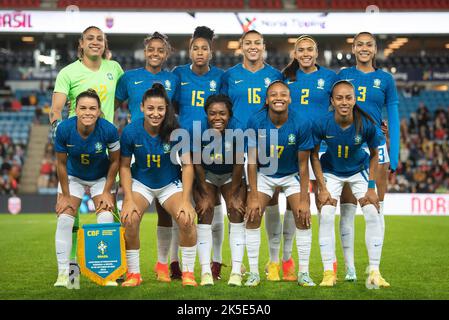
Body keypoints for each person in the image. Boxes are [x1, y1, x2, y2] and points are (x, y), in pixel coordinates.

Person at [50, 26, 124, 288]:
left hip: (103, 156)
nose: (95, 42)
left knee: (106, 215)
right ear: (80, 44)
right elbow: (56, 109)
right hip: (75, 153)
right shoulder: (68, 72)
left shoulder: (114, 68)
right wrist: (61, 130)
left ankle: (111, 271)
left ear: (105, 45)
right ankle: (68, 274)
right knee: (68, 214)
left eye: (99, 39)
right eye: (89, 38)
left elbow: (128, 96)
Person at [115, 32, 181, 282]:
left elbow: (176, 111)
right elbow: (113, 104)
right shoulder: (128, 78)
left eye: (160, 50)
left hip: (163, 145)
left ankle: (162, 265)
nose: (155, 53)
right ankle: (126, 268)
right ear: (145, 51)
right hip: (136, 144)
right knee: (129, 209)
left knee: (166, 211)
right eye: (151, 49)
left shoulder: (172, 79)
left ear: (166, 54)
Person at [310, 80, 389, 289]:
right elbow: (314, 155)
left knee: (372, 213)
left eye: (348, 97)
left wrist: (371, 187)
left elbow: (374, 155)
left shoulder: (367, 123)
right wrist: (322, 188)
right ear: (332, 101)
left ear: (354, 99)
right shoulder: (322, 123)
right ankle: (329, 272)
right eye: (339, 98)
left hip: (358, 170)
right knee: (326, 215)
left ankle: (374, 271)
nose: (344, 102)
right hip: (331, 172)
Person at [119, 83, 198, 287]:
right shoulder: (130, 132)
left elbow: (188, 165)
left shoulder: (176, 130)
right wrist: (127, 199)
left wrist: (186, 200)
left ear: (166, 109)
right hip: (141, 184)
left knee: (187, 218)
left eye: (160, 109)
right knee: (129, 219)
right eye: (151, 108)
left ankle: (188, 273)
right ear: (142, 108)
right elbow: (125, 167)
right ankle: (134, 274)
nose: (155, 113)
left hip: (169, 184)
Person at [221, 30, 283, 279]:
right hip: (236, 144)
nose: (253, 46)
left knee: (272, 201)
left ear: (264, 46)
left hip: (268, 145)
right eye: (248, 43)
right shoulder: (230, 76)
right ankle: (241, 262)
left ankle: (274, 261)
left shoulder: (275, 76)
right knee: (237, 202)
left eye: (257, 42)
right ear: (241, 47)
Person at [338, 32, 399, 281]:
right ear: (353, 48)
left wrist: (393, 156)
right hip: (349, 147)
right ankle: (350, 268)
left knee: (376, 209)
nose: (364, 48)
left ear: (375, 49)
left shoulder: (385, 79)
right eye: (359, 44)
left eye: (369, 45)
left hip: (376, 148)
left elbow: (393, 116)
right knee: (347, 211)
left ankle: (374, 269)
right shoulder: (343, 76)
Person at [280, 35, 339, 280]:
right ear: (295, 53)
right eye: (300, 50)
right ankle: (285, 261)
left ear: (316, 53)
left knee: (324, 207)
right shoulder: (285, 78)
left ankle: (330, 265)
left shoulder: (329, 78)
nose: (305, 54)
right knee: (293, 207)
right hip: (292, 148)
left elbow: (345, 104)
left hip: (322, 149)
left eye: (309, 50)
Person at [245, 80, 314, 287]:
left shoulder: (301, 122)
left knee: (303, 217)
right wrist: (253, 194)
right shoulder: (256, 121)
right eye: (273, 94)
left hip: (291, 174)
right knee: (253, 214)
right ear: (266, 100)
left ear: (290, 99)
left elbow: (303, 166)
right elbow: (252, 162)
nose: (278, 98)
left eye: (283, 94)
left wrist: (304, 199)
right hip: (265, 174)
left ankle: (303, 272)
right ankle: (254, 273)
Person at [172, 26, 226, 280]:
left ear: (211, 52)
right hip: (183, 147)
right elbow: (171, 105)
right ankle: (175, 262)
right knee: (179, 205)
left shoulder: (220, 77)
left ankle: (216, 261)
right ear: (189, 51)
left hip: (211, 148)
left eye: (205, 48)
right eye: (196, 48)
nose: (200, 52)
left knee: (212, 204)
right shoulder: (178, 74)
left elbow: (223, 110)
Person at [53, 89, 120, 288]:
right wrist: (65, 195)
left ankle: (107, 274)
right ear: (75, 110)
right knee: (65, 219)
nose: (88, 112)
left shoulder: (108, 129)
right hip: (74, 177)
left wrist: (107, 191)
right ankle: (64, 274)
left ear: (99, 111)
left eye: (92, 108)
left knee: (106, 217)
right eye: (83, 108)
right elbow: (61, 164)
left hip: (101, 177)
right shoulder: (64, 129)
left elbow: (115, 162)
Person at [190, 94, 246, 286]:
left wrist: (236, 195)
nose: (217, 117)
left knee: (236, 211)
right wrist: (205, 194)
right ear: (206, 114)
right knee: (205, 210)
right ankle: (206, 271)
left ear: (229, 114)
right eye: (212, 113)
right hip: (207, 173)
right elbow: (196, 163)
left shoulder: (238, 128)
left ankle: (236, 271)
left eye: (222, 113)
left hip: (230, 173)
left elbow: (239, 163)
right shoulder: (198, 129)